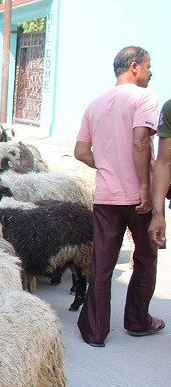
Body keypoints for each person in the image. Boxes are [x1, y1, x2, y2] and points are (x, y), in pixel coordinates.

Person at [74, 45, 162, 348]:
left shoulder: (95, 104)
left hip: (106, 197)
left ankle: (95, 331)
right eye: (149, 67)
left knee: (102, 264)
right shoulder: (145, 98)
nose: (151, 73)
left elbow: (81, 152)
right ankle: (138, 321)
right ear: (135, 67)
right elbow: (141, 143)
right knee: (145, 257)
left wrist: (109, 163)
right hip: (138, 197)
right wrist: (144, 188)